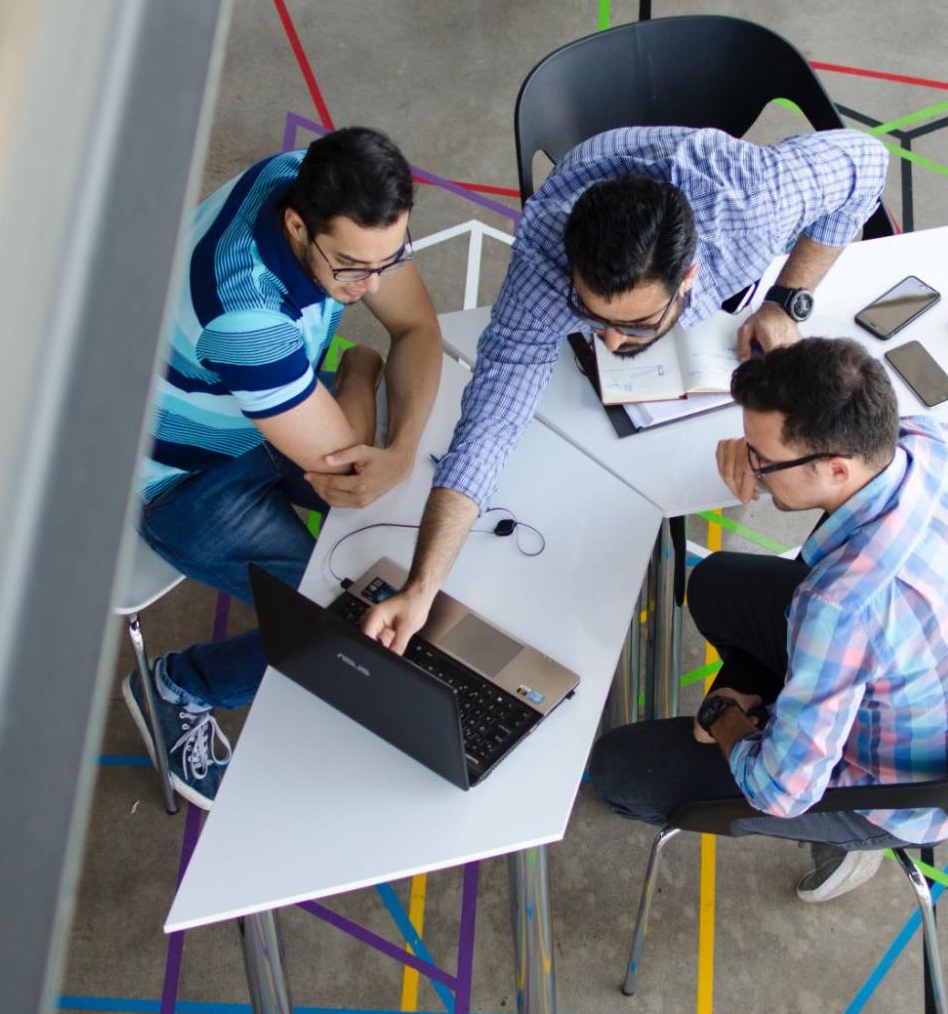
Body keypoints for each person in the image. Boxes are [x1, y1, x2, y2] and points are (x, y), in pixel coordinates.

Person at [358, 125, 889, 654]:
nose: (609, 342)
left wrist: (787, 298)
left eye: (635, 325)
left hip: (713, 184)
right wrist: (422, 586)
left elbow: (868, 162)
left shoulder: (753, 202)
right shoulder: (544, 262)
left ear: (689, 279)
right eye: (591, 316)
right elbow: (488, 425)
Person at [588, 338, 948, 902]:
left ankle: (845, 843)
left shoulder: (841, 605)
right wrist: (753, 450)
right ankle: (789, 712)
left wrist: (725, 715)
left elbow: (779, 790)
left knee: (619, 769)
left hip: (901, 794)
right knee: (715, 584)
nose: (752, 468)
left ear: (836, 467)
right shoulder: (931, 441)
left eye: (762, 459)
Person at [124, 127, 442, 808]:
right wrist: (358, 372)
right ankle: (180, 686)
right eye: (353, 268)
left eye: (391, 260)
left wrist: (403, 448)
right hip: (183, 478)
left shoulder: (313, 179)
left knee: (403, 522)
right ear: (297, 225)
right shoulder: (247, 319)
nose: (373, 285)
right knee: (335, 621)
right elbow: (351, 475)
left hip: (265, 411)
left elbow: (416, 328)